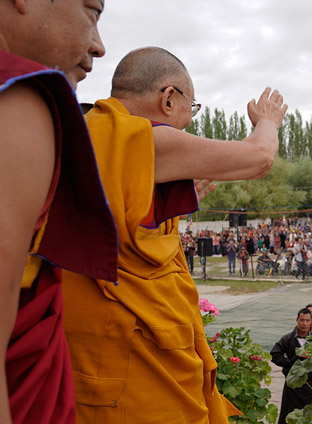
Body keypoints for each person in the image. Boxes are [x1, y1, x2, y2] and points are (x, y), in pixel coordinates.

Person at [61, 47, 286, 422]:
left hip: (86, 338)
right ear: (168, 98)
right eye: (191, 110)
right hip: (129, 346)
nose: (188, 125)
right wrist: (268, 122)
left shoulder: (84, 129)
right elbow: (259, 157)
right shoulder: (141, 137)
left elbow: (115, 219)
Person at [1, 3, 119, 423]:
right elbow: (256, 158)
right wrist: (269, 123)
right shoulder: (19, 101)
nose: (98, 46)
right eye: (92, 11)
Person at [271, 309, 312, 424]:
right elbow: (274, 354)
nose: (304, 324)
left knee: (310, 416)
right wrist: (292, 364)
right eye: (302, 320)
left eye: (307, 320)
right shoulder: (288, 338)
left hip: (310, 386)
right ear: (297, 320)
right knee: (289, 415)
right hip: (292, 385)